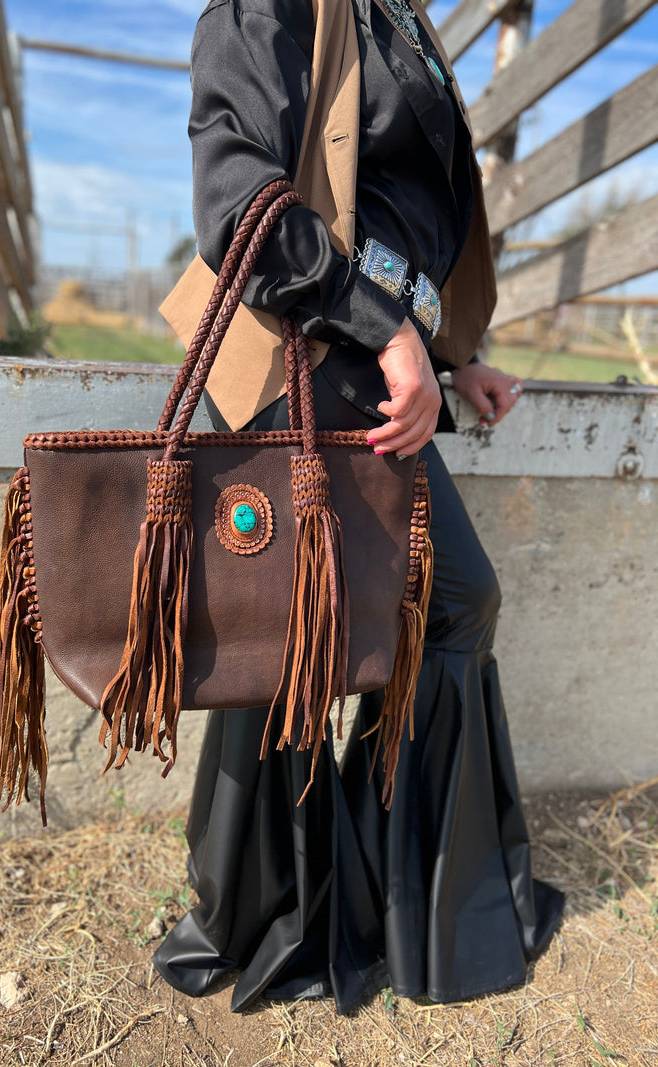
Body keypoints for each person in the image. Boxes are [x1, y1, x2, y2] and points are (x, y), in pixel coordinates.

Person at [154, 0, 563, 1014]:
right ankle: (296, 908)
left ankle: (366, 895)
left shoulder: (401, 20)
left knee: (404, 614)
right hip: (310, 351)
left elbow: (403, 206)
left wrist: (453, 355)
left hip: (368, 360)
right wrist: (386, 330)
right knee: (308, 632)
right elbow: (238, 200)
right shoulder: (268, 8)